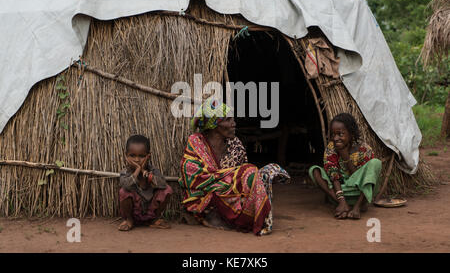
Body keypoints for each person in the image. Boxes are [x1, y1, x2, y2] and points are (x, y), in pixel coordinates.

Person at [179, 97, 290, 236]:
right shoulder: (196, 142)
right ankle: (220, 216)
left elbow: (242, 182)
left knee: (264, 172)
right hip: (205, 198)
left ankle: (246, 216)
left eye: (233, 119)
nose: (233, 123)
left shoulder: (235, 145)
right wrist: (223, 181)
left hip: (231, 197)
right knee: (249, 171)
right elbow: (191, 176)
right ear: (214, 124)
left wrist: (232, 182)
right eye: (228, 120)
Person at [308, 113, 381, 220]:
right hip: (340, 191)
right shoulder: (331, 147)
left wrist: (345, 156)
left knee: (375, 163)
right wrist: (341, 200)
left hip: (360, 192)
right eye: (333, 135)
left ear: (351, 133)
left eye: (340, 134)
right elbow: (333, 175)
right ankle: (343, 205)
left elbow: (362, 178)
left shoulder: (364, 149)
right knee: (314, 170)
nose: (336, 138)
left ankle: (357, 207)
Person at [118, 135, 173, 231]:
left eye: (142, 156)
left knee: (167, 190)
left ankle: (155, 220)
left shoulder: (152, 170)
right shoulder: (125, 172)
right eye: (132, 155)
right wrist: (137, 171)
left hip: (150, 211)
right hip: (134, 212)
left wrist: (146, 174)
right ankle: (129, 220)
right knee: (123, 192)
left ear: (148, 156)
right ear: (126, 156)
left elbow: (162, 184)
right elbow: (125, 185)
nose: (137, 160)